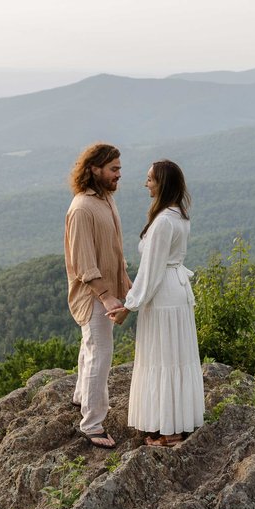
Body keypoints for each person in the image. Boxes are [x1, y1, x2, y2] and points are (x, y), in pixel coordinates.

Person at [107, 160, 204, 447]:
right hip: (177, 291)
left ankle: (169, 432)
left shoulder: (163, 221)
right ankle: (178, 424)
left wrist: (129, 305)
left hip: (163, 294)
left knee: (162, 358)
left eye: (150, 179)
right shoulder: (179, 216)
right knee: (176, 357)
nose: (145, 183)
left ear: (163, 183)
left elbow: (151, 271)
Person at [64, 142, 132, 449]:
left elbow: (113, 250)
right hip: (93, 295)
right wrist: (106, 296)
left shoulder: (105, 200)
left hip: (106, 289)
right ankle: (91, 423)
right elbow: (84, 263)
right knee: (100, 353)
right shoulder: (82, 208)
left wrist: (125, 280)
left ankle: (81, 396)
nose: (119, 174)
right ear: (95, 169)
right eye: (114, 169)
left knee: (90, 346)